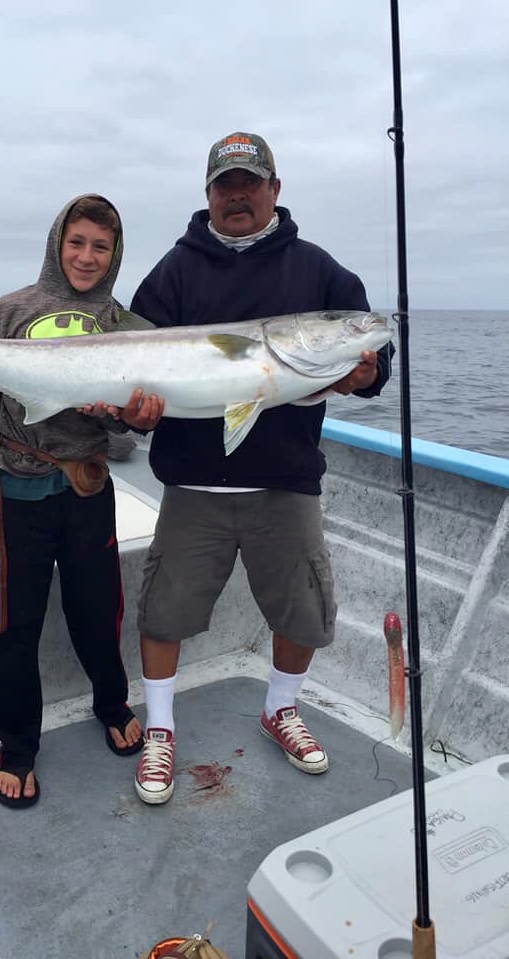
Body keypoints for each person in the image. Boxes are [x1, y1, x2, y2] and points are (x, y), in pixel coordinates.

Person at [129, 132, 395, 805]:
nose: (238, 194)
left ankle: (280, 708)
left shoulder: (319, 271)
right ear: (209, 194)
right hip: (192, 481)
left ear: (275, 189)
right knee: (165, 611)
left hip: (285, 480)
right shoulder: (171, 273)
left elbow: (365, 354)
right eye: (226, 185)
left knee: (301, 610)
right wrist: (133, 413)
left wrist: (365, 368)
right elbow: (131, 365)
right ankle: (159, 727)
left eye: (251, 182)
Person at [0, 194, 161, 808]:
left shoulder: (124, 325)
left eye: (100, 246)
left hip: (87, 484)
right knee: (16, 620)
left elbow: (129, 426)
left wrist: (139, 419)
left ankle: (111, 702)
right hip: (21, 484)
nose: (87, 256)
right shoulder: (10, 311)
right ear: (58, 242)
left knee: (98, 607)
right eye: (77, 242)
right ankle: (18, 745)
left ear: (115, 254)